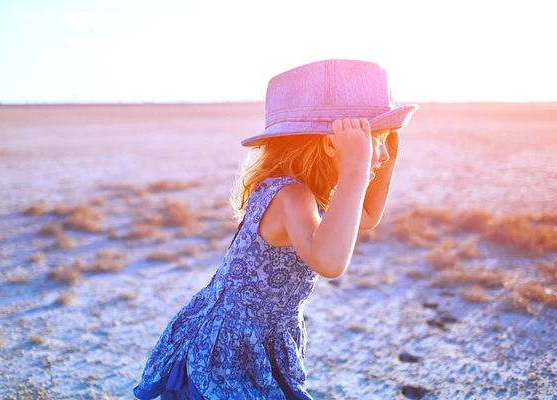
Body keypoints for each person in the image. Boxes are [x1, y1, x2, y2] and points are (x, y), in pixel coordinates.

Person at [132, 59, 419, 399]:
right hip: (231, 344)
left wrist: (384, 160)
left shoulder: (303, 190)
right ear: (331, 144)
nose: (382, 155)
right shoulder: (291, 195)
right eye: (377, 142)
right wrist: (357, 168)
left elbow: (366, 216)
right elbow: (329, 262)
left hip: (260, 335)